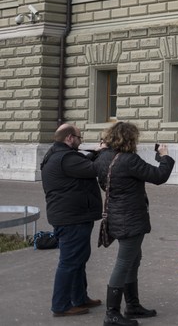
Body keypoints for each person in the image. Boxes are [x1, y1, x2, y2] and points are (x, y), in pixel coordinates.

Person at [95, 122, 174, 325]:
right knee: (123, 263)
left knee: (133, 259)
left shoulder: (103, 157)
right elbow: (159, 176)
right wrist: (164, 156)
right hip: (129, 218)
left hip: (115, 215)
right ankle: (112, 314)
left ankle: (133, 306)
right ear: (130, 139)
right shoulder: (129, 160)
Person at [41, 124, 103, 317]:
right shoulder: (66, 158)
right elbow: (94, 169)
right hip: (72, 218)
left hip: (70, 216)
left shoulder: (56, 154)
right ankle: (60, 305)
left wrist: (96, 152)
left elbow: (83, 165)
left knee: (78, 259)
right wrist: (106, 152)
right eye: (79, 137)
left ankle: (79, 297)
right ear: (69, 138)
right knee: (69, 262)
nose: (81, 140)